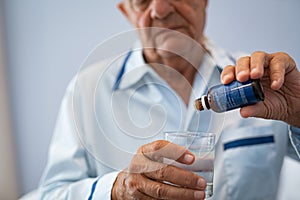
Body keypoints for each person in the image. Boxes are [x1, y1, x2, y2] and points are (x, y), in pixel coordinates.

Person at [38, 0, 300, 200]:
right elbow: (47, 194)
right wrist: (116, 189)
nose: (161, 10)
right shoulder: (87, 90)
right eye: (142, 0)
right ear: (126, 11)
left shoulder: (263, 82)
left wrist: (299, 112)